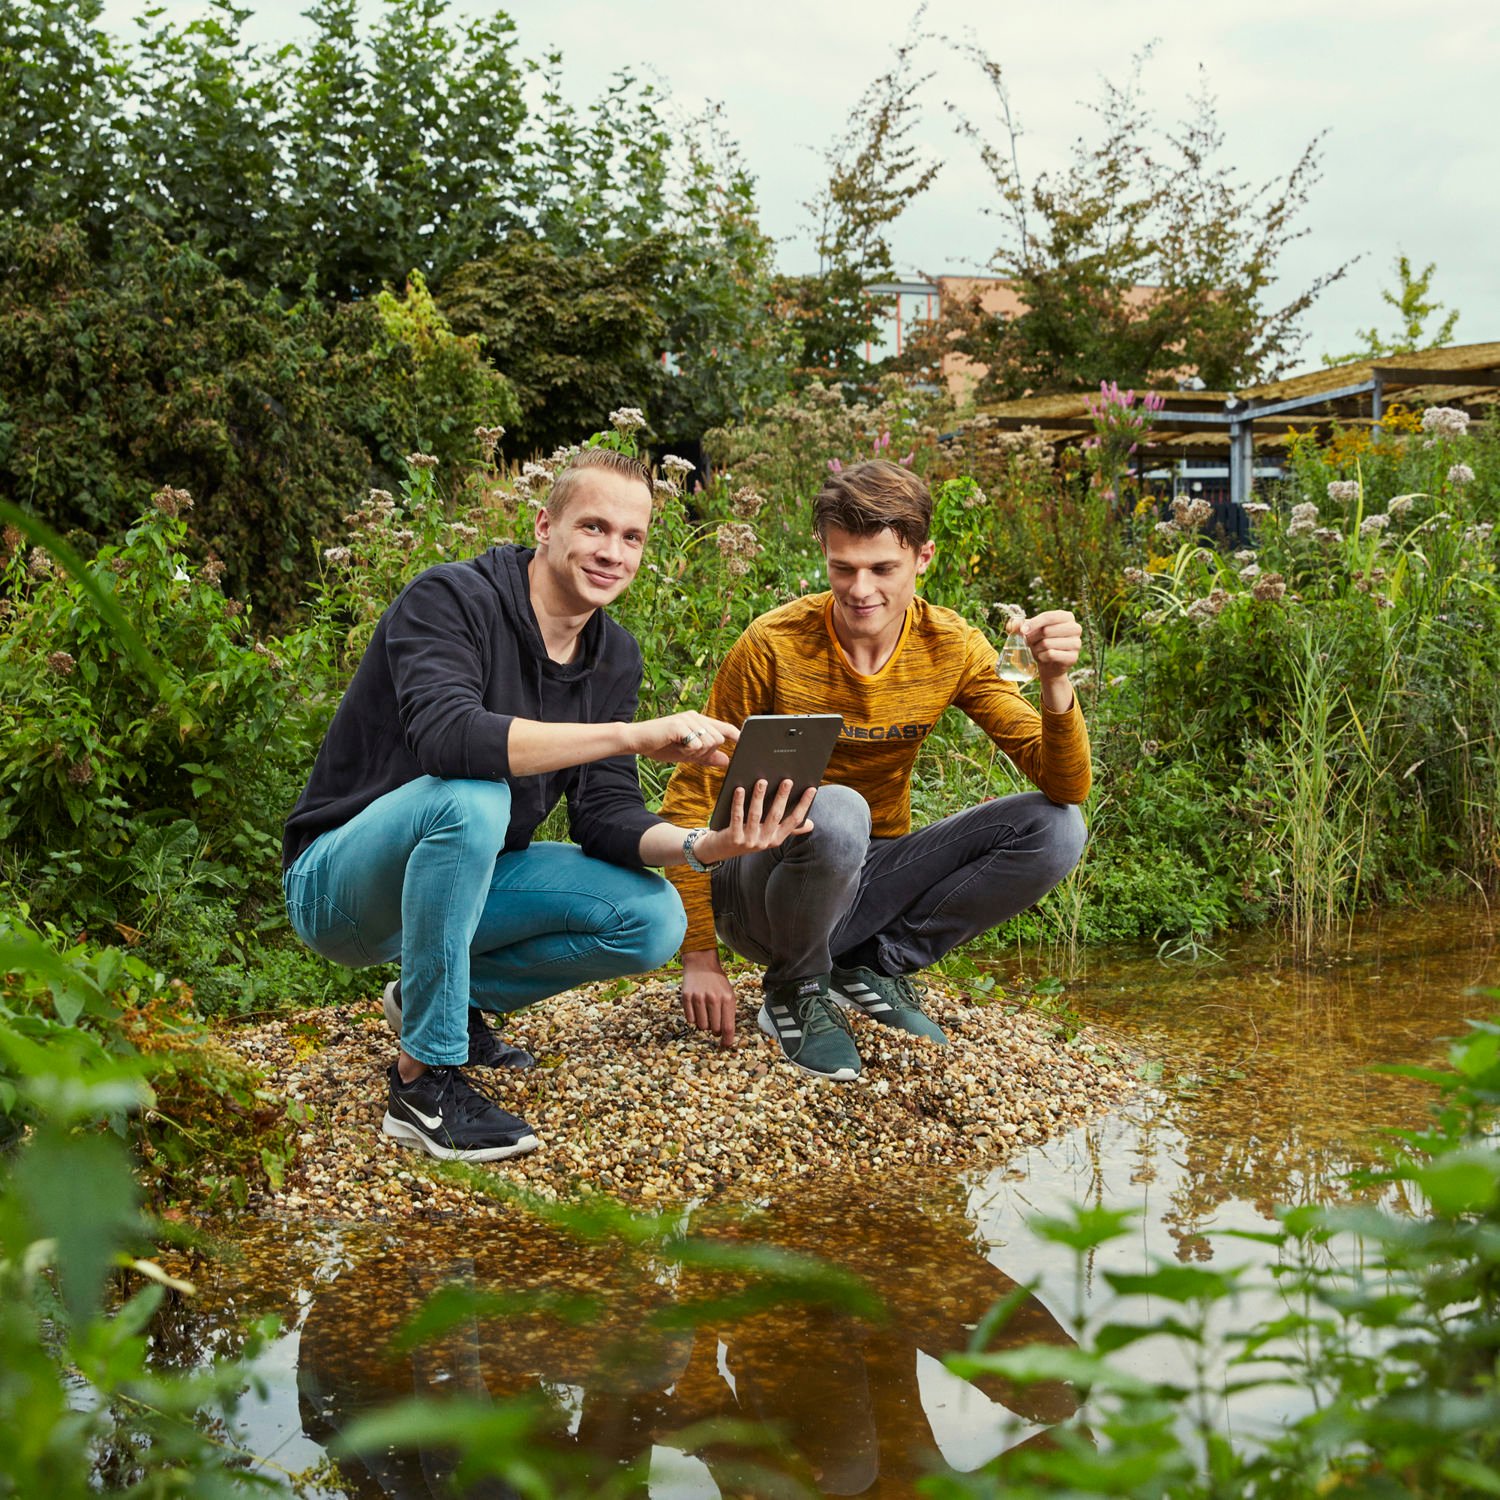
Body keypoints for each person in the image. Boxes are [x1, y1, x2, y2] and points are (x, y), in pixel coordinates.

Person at [281, 449, 815, 1161]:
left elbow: (605, 813)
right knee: (473, 797)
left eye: (632, 537)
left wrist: (698, 847)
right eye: (594, 527)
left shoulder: (613, 655)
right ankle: (424, 1079)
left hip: (463, 888)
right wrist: (629, 734)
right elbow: (448, 738)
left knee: (651, 918)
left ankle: (433, 1005)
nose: (612, 552)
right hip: (342, 889)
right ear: (545, 524)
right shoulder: (450, 599)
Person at [659, 459, 1091, 1080]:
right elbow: (690, 796)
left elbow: (1065, 784)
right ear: (824, 554)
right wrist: (699, 954)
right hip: (754, 884)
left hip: (864, 879)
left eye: (883, 569)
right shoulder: (771, 644)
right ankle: (794, 989)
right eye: (843, 567)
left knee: (1058, 828)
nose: (861, 589)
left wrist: (1054, 683)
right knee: (837, 809)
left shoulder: (952, 646)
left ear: (923, 557)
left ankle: (871, 964)